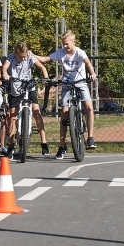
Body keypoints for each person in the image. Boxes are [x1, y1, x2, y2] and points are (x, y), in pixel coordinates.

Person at [36, 31, 98, 159]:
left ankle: (90, 138)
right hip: (67, 84)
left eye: (67, 44)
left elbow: (87, 63)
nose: (65, 47)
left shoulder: (80, 52)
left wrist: (92, 74)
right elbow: (46, 59)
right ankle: (62, 146)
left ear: (73, 43)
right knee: (64, 115)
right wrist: (32, 55)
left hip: (80, 83)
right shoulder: (61, 52)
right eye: (63, 44)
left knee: (89, 107)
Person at [2, 41, 50, 159]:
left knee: (37, 113)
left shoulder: (29, 56)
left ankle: (44, 142)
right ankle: (10, 145)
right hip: (16, 88)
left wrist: (46, 78)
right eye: (20, 56)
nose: (22, 58)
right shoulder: (11, 57)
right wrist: (5, 74)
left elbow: (42, 67)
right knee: (13, 117)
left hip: (29, 87)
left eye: (24, 56)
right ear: (15, 53)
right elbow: (5, 67)